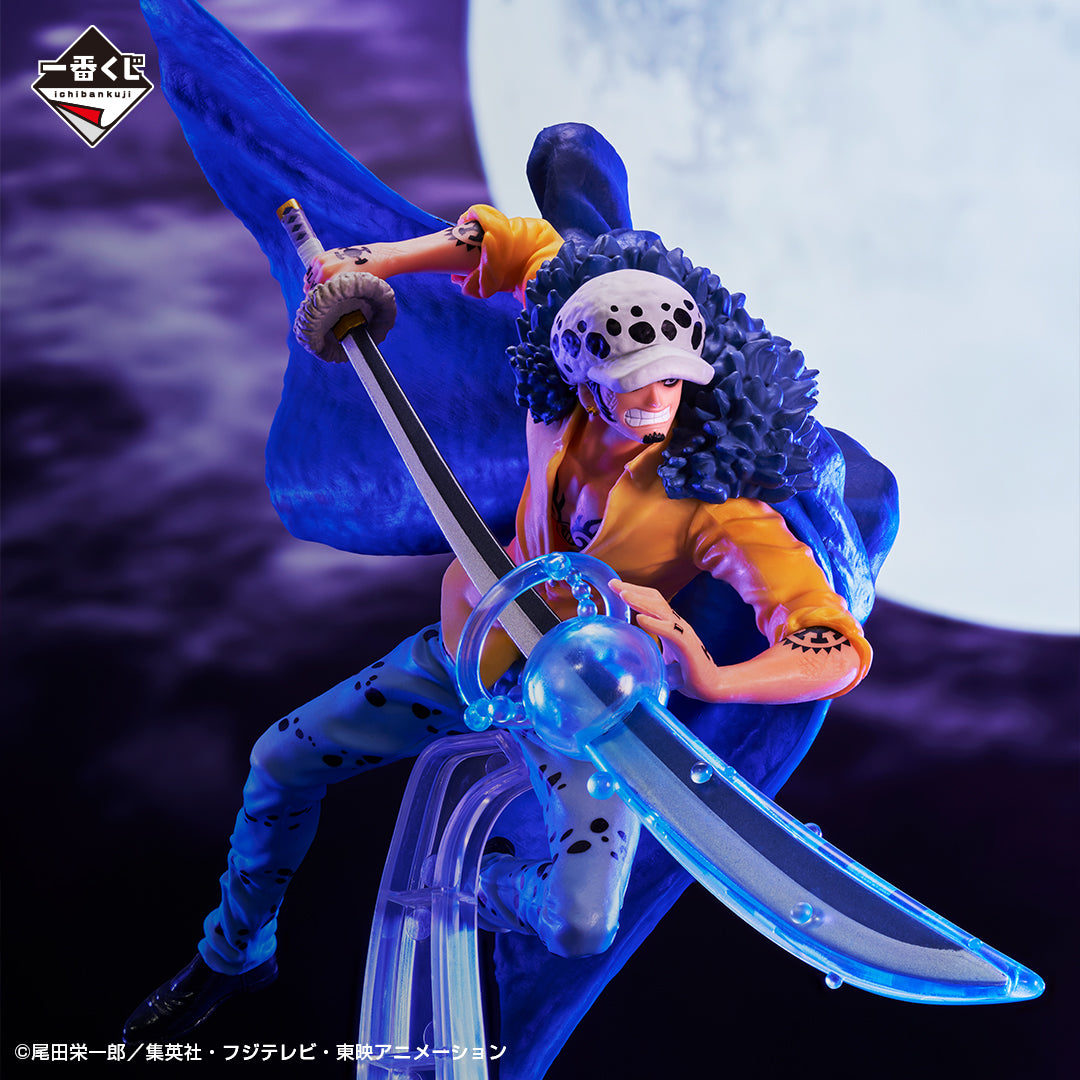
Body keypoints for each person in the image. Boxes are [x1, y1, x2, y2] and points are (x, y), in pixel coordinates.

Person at [123, 198, 873, 1041]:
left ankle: (482, 887)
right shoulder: (555, 404)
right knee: (280, 760)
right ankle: (235, 950)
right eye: (632, 378)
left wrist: (715, 678)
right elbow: (521, 244)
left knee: (582, 925)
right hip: (474, 647)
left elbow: (831, 644)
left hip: (588, 710)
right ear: (582, 374)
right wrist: (375, 259)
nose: (655, 398)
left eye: (670, 378)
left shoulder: (714, 506)